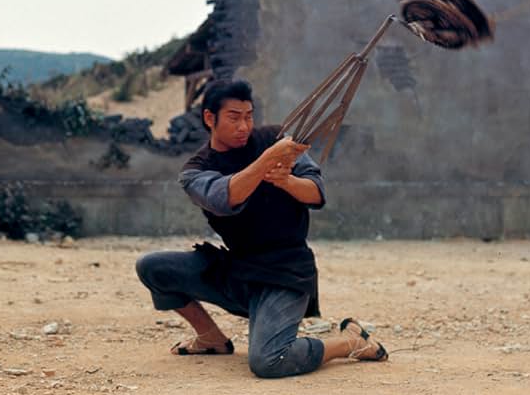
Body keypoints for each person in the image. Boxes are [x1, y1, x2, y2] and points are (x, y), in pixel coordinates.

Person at [136, 78, 387, 379]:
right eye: (234, 118)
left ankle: (350, 341)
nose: (244, 126)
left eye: (248, 116)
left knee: (269, 361)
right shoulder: (196, 171)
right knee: (152, 267)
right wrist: (267, 160)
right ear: (209, 118)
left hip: (286, 271)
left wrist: (287, 181)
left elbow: (318, 193)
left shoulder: (276, 138)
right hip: (239, 270)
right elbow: (225, 197)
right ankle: (211, 338)